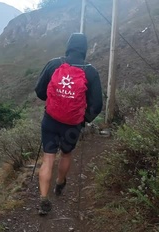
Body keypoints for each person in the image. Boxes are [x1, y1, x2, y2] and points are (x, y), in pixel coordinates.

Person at [34, 33, 103, 216]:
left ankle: (43, 199)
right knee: (66, 153)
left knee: (48, 158)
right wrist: (83, 119)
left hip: (50, 119)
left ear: (68, 46)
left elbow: (40, 92)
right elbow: (97, 105)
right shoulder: (90, 71)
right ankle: (60, 183)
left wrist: (54, 101)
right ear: (85, 49)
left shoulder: (54, 64)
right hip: (72, 125)